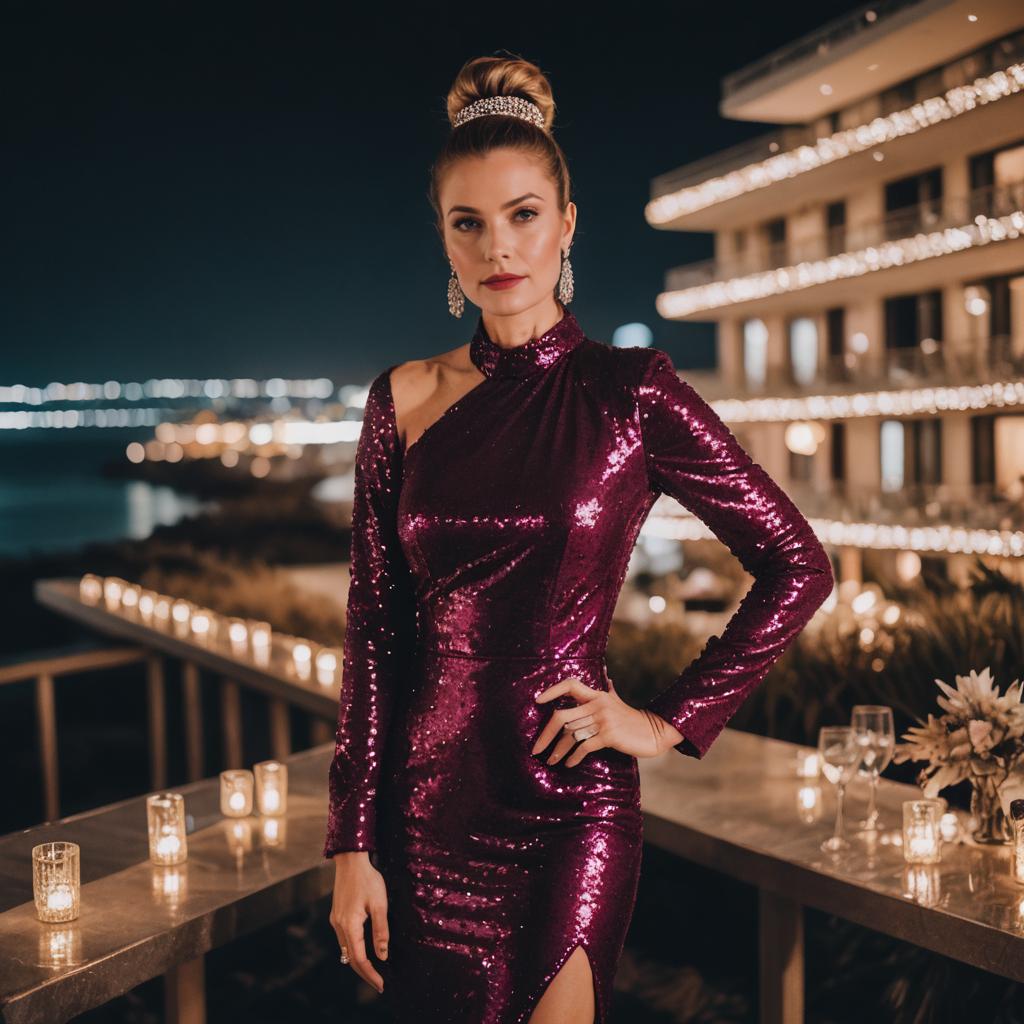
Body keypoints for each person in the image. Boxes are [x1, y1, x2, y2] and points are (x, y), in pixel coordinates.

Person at [324, 53, 835, 1024]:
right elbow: (374, 632)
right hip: (422, 815)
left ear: (566, 224)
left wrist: (664, 718)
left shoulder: (630, 392)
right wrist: (352, 839)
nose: (496, 247)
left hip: (569, 804)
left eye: (522, 214)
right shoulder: (403, 399)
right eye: (466, 222)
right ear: (442, 238)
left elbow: (795, 563)